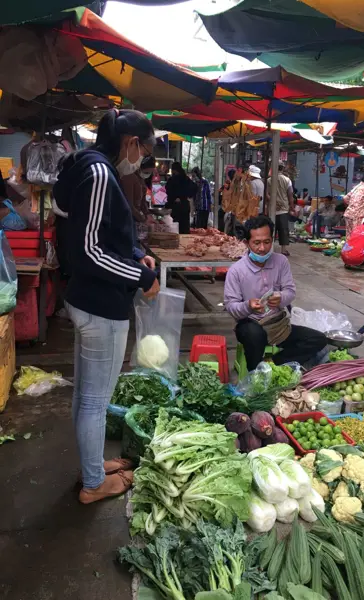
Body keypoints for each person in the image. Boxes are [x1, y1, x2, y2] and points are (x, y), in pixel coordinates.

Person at [53, 109, 159, 504]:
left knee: (87, 396)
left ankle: (92, 466)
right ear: (130, 143)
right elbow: (88, 251)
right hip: (100, 305)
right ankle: (94, 484)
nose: (142, 161)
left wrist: (135, 254)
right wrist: (140, 277)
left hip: (88, 300)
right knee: (96, 401)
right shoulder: (99, 174)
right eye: (144, 152)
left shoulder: (95, 169)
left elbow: (103, 233)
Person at [224, 215, 327, 371]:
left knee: (318, 339)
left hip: (278, 324)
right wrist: (248, 306)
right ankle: (255, 377)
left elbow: (290, 291)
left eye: (267, 242)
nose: (262, 248)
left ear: (272, 240)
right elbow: (231, 306)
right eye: (256, 243)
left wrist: (281, 298)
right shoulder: (236, 271)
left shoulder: (281, 261)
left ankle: (273, 363)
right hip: (250, 324)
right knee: (254, 335)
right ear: (247, 243)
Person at [267, 163, 296, 256]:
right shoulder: (287, 180)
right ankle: (283, 250)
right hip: (283, 208)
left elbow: (266, 194)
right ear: (282, 168)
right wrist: (292, 206)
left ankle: (269, 249)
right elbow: (290, 195)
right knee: (283, 229)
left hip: (272, 208)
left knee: (271, 229)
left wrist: (273, 201)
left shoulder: (269, 180)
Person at [165, 162, 196, 234]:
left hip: (175, 206)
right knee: (184, 227)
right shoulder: (186, 179)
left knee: (174, 228)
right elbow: (194, 188)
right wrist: (185, 196)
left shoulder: (172, 180)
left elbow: (168, 191)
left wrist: (176, 197)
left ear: (174, 170)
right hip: (184, 205)